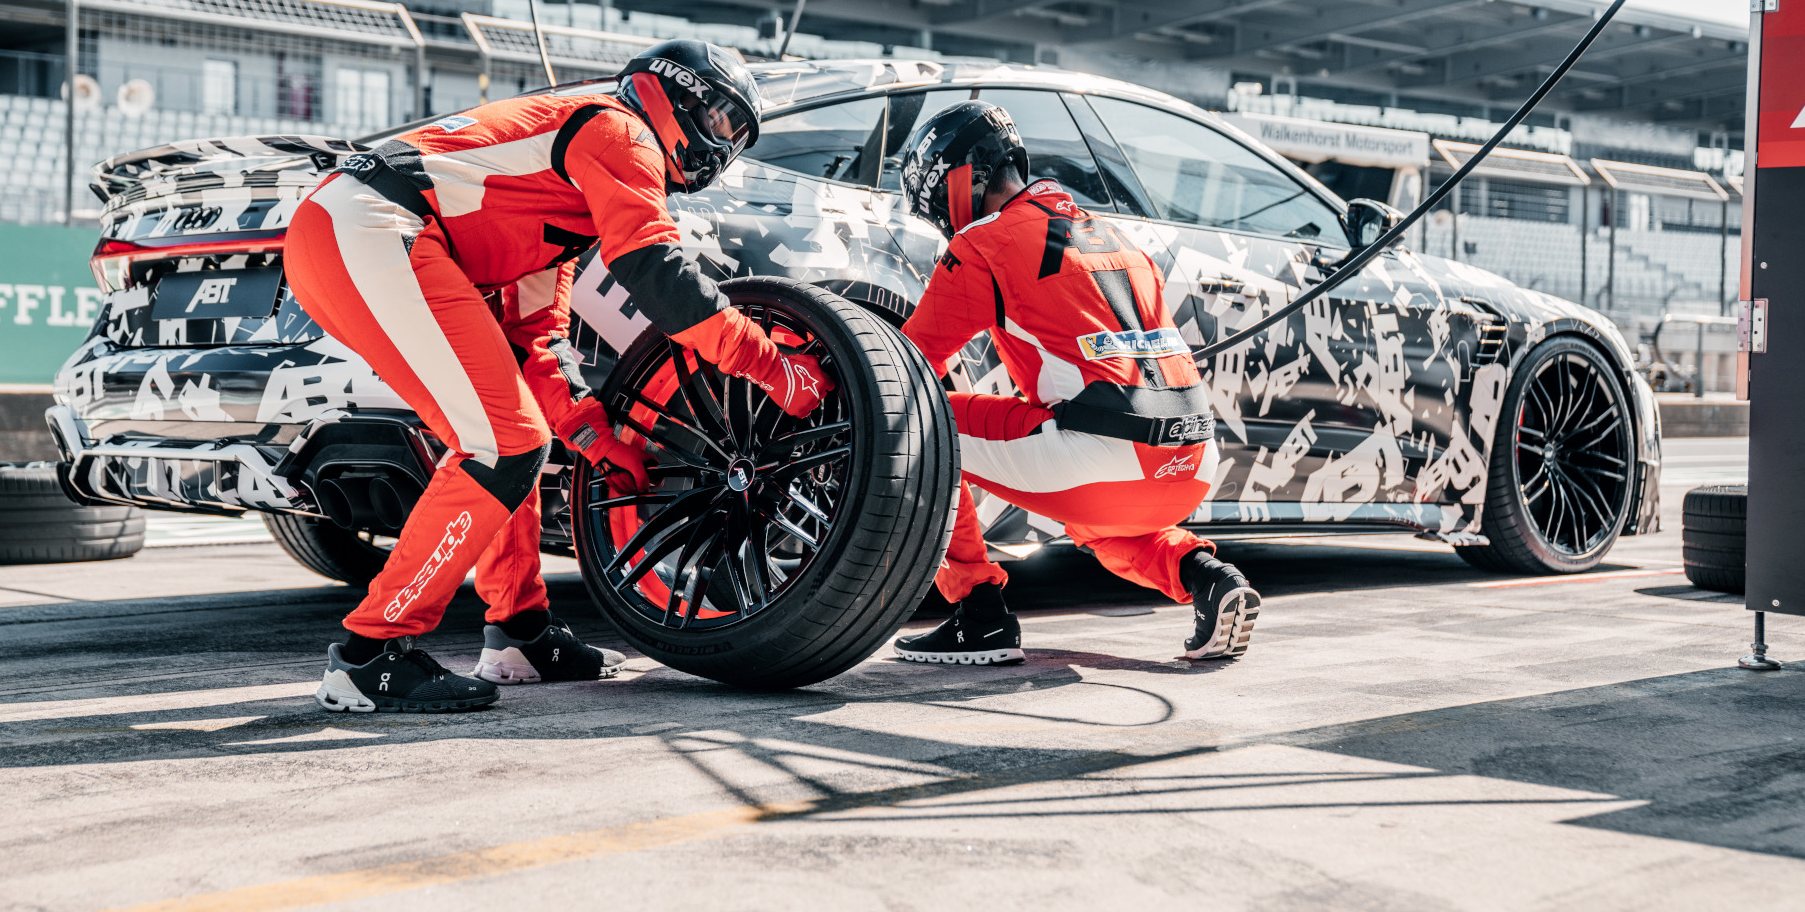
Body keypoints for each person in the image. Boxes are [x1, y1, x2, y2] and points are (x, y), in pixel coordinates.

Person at [285, 40, 833, 713]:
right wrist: (774, 368)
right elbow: (662, 279)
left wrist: (597, 441)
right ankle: (369, 656)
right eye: (723, 122)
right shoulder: (621, 130)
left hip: (363, 230)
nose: (723, 146)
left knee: (513, 434)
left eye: (737, 138)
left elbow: (537, 342)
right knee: (502, 443)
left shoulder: (560, 196)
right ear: (678, 93)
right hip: (373, 228)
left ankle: (519, 634)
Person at [894, 101, 1260, 665]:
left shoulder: (983, 243)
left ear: (961, 178)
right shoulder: (1117, 236)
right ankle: (1207, 575)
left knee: (927, 422)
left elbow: (906, 367)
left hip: (1102, 452)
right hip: (1191, 460)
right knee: (1097, 521)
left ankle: (979, 614)